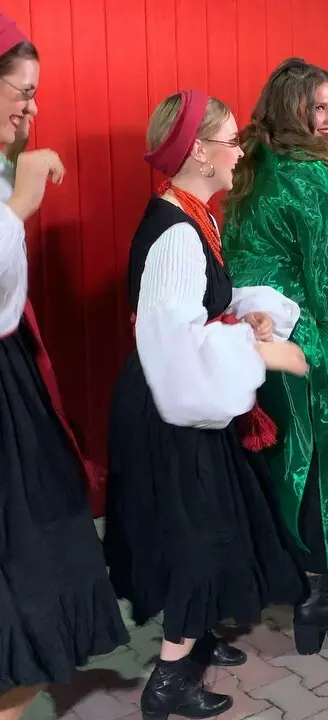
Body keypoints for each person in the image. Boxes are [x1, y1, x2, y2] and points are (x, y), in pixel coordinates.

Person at [103, 89, 309, 719]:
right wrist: (265, 352)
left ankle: (199, 636)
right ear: (198, 151)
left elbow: (201, 307)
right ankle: (168, 680)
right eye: (230, 140)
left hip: (182, 390)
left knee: (217, 516)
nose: (239, 151)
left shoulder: (196, 216)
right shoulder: (176, 234)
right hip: (172, 400)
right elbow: (177, 343)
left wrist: (248, 315)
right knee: (195, 529)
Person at [222, 58, 328, 655]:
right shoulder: (318, 174)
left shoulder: (252, 163)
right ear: (289, 108)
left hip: (252, 336)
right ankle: (319, 599)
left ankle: (296, 594)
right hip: (303, 341)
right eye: (316, 106)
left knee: (278, 461)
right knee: (317, 465)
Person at [0, 12, 129, 719]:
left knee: (44, 547)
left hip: (13, 373)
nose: (32, 107)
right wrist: (19, 204)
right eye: (22, 90)